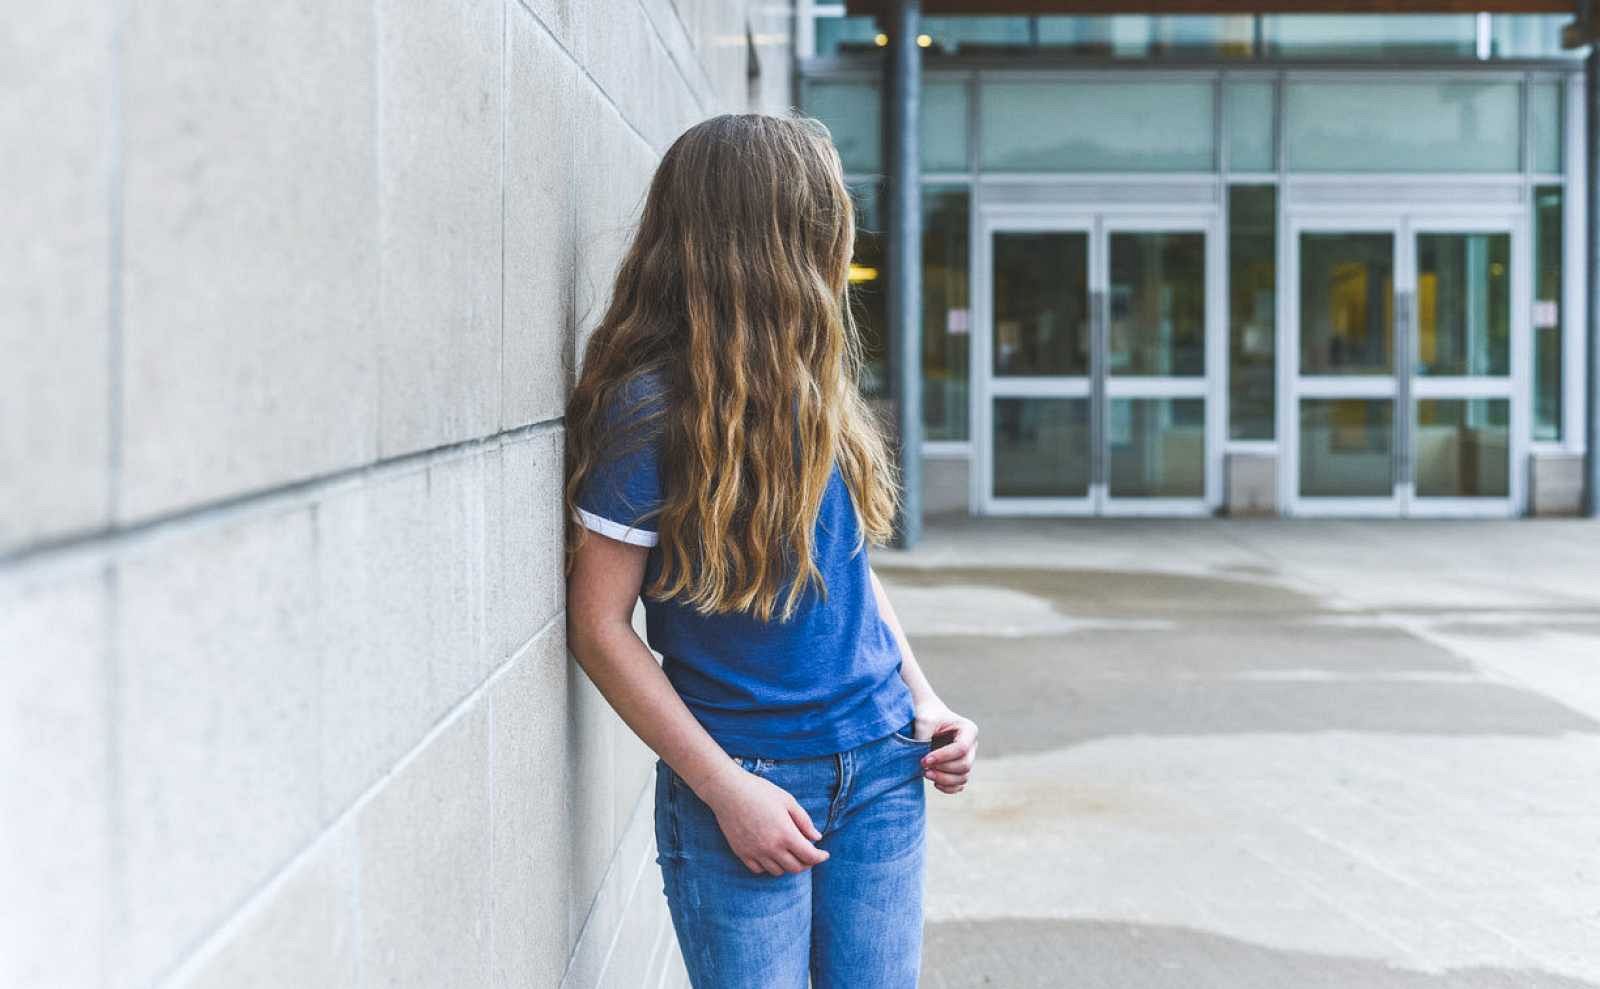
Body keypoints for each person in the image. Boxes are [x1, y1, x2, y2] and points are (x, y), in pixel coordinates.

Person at [563, 112, 978, 989]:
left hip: (882, 771)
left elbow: (849, 577)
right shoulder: (649, 411)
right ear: (778, 239)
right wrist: (722, 789)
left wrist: (927, 701)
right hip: (745, 785)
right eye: (826, 221)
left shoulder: (816, 381)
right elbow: (598, 626)